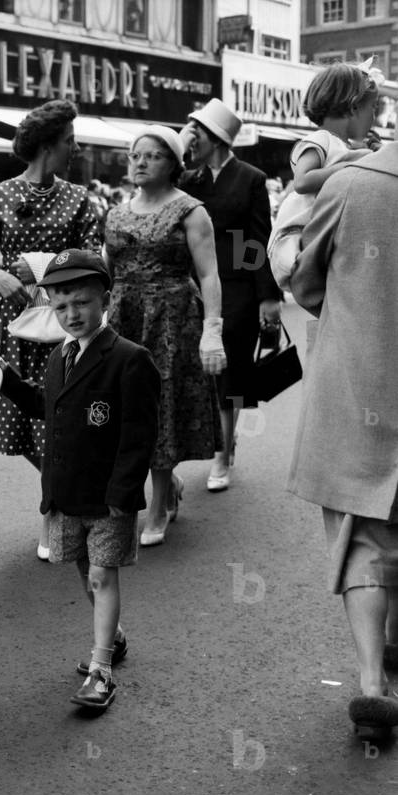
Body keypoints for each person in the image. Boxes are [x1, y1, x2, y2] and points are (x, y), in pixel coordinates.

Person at [0, 251, 160, 711]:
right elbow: (44, 407)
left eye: (81, 303)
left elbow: (139, 437)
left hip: (108, 497)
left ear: (105, 299)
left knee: (103, 576)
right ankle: (115, 638)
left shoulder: (130, 360)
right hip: (66, 495)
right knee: (87, 573)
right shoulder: (58, 358)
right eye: (61, 307)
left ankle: (101, 669)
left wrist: (124, 494)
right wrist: (6, 379)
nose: (72, 315)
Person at [287, 139, 398, 737]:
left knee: (364, 533)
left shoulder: (352, 184)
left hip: (362, 378)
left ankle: (373, 685)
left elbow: (306, 281)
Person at [0, 99, 101, 559]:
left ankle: (54, 516)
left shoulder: (79, 198)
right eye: (69, 141)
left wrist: (40, 268)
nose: (75, 148)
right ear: (47, 145)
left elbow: (94, 264)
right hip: (13, 324)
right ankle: (69, 496)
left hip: (64, 321)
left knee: (60, 423)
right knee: (23, 420)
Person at [104, 124, 225, 546]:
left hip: (173, 319)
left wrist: (213, 331)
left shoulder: (191, 210)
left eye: (152, 155)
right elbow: (107, 271)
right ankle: (166, 486)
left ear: (173, 163)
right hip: (124, 318)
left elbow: (209, 273)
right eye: (135, 154)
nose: (140, 161)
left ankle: (157, 506)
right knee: (128, 408)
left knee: (164, 407)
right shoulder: (116, 212)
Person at [178, 98, 282, 493]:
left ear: (217, 138)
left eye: (198, 132)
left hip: (237, 286)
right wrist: (183, 137)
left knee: (232, 372)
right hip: (194, 286)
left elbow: (256, 239)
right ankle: (223, 440)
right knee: (204, 373)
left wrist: (266, 295)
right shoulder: (189, 178)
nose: (192, 140)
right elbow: (159, 176)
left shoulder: (251, 178)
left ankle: (222, 454)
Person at [267, 60, 382, 291]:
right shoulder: (320, 140)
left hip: (318, 233)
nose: (374, 116)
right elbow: (301, 180)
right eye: (372, 107)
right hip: (297, 234)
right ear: (353, 107)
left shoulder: (344, 146)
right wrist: (347, 166)